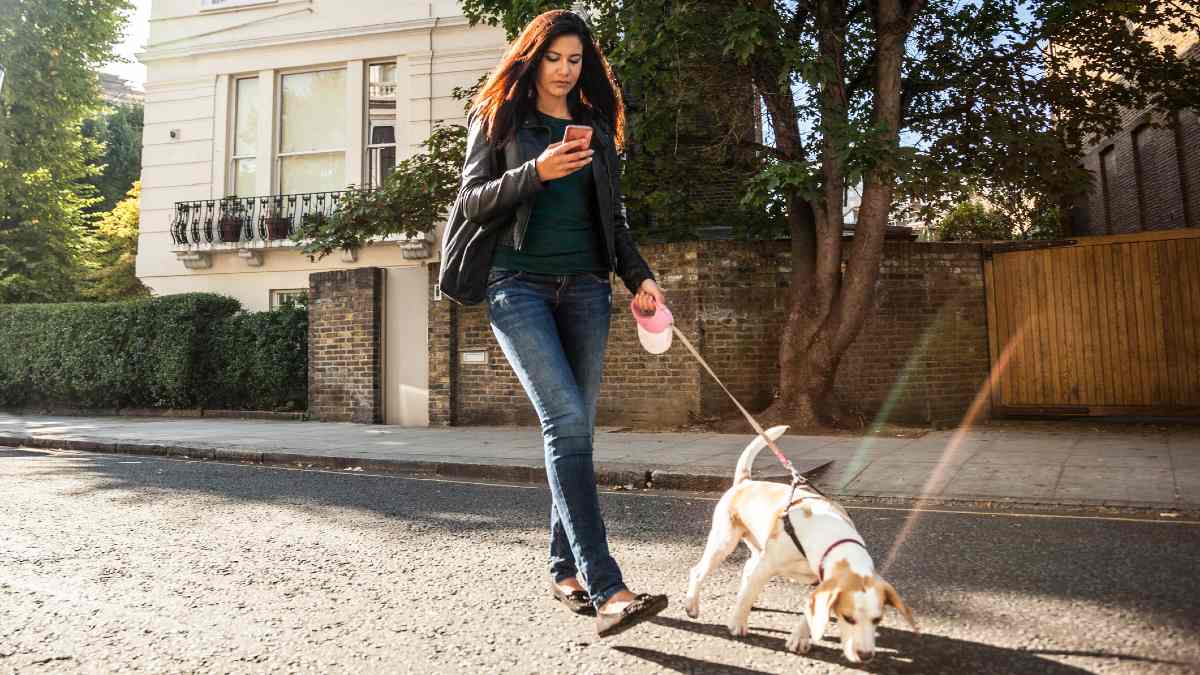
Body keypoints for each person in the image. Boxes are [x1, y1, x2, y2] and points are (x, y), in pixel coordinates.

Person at [449, 9, 667, 637]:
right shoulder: (500, 121)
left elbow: (614, 219)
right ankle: (608, 587)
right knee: (565, 422)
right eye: (554, 58)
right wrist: (536, 171)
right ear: (532, 58)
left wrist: (640, 277)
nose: (565, 70)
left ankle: (561, 567)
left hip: (587, 290)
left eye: (576, 60)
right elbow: (470, 200)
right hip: (515, 285)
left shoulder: (596, 127)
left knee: (574, 432)